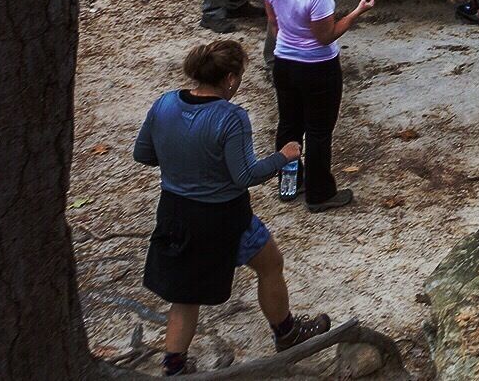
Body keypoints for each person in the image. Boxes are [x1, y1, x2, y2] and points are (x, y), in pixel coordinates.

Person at [134, 39, 331, 375]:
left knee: (184, 295)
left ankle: (175, 366)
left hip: (175, 213)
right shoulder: (231, 117)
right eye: (238, 76)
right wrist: (283, 156)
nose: (238, 83)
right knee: (271, 264)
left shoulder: (165, 104)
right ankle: (287, 333)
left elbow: (144, 154)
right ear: (228, 78)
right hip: (226, 217)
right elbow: (244, 176)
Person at [265, 0, 374, 212]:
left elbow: (273, 23)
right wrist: (358, 11)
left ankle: (289, 182)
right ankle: (319, 193)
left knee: (289, 123)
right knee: (318, 130)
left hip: (284, 63)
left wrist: (289, 44)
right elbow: (326, 35)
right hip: (318, 68)